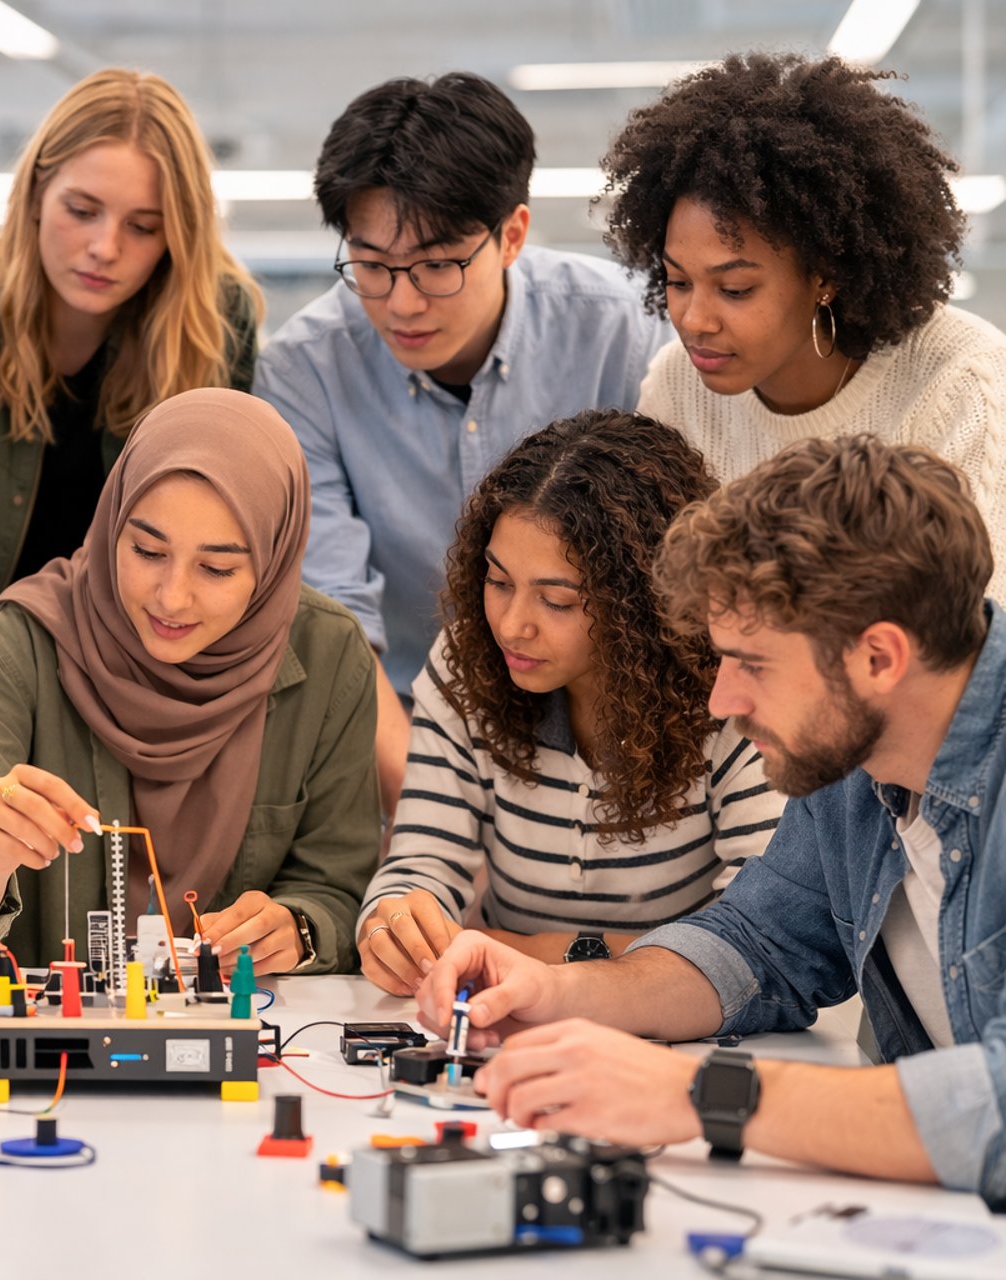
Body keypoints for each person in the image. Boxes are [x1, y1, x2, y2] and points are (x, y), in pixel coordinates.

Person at [417, 435, 1006, 1207]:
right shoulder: (856, 761)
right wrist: (559, 992)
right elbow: (757, 943)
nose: (722, 701)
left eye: (753, 665)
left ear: (879, 657)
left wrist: (701, 1092)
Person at [258, 72, 668, 817]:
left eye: (439, 264)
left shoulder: (623, 334)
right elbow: (338, 629)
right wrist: (431, 823)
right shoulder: (304, 371)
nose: (402, 302)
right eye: (372, 266)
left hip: (612, 731)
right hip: (403, 732)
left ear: (511, 234)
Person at [0, 388, 378, 977]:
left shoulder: (330, 654)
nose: (172, 597)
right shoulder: (17, 643)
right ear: (110, 524)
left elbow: (338, 889)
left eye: (217, 568)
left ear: (274, 561)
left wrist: (296, 928)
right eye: (147, 550)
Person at [356, 411, 782, 994]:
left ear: (643, 602)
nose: (511, 625)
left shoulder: (730, 692)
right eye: (498, 581)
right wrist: (396, 925)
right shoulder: (467, 664)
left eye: (556, 600)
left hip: (684, 1021)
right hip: (505, 1011)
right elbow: (421, 861)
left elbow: (762, 931)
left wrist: (548, 955)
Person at [0, 68, 262, 711]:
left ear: (178, 233)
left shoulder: (214, 324)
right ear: (36, 192)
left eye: (143, 226)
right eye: (82, 211)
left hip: (137, 677)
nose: (104, 248)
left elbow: (224, 538)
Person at [609, 52, 1006, 596]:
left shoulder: (961, 380)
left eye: (735, 289)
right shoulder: (678, 388)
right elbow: (653, 599)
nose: (694, 320)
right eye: (678, 281)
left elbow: (977, 632)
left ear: (825, 275)